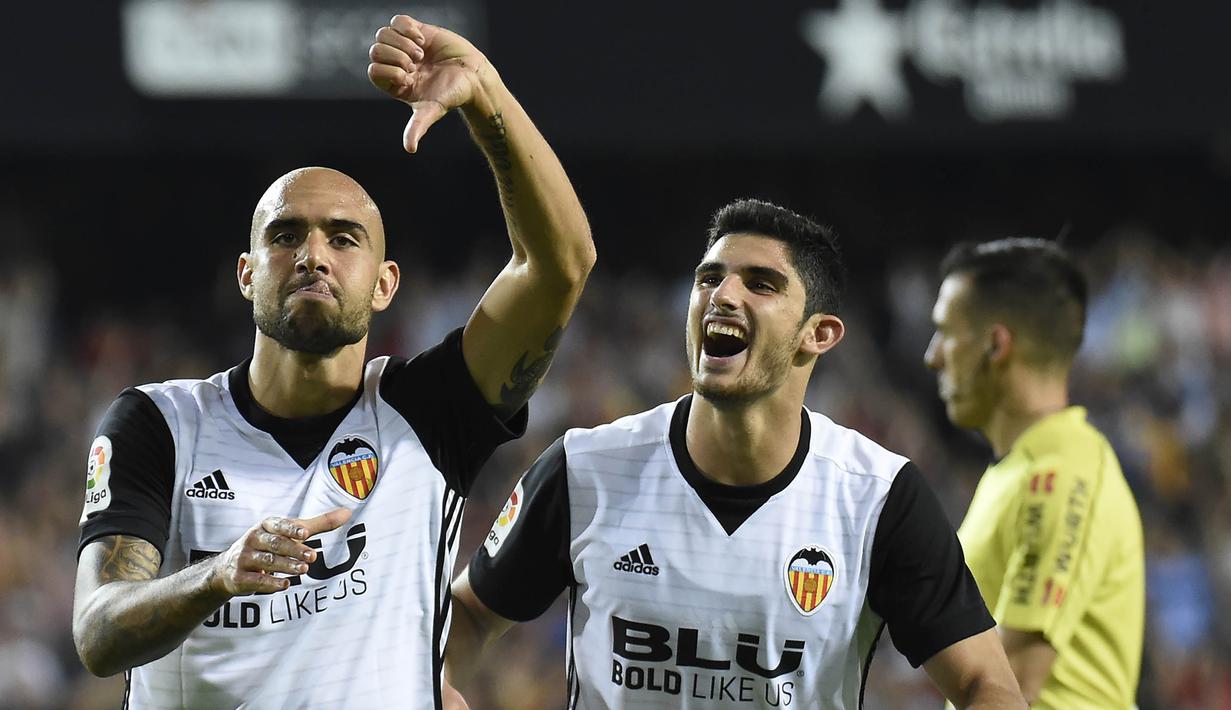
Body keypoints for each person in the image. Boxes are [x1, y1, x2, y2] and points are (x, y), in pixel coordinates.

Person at [71, 14, 594, 709]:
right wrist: (219, 574)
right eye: (286, 236)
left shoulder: (431, 412)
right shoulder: (159, 424)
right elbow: (98, 633)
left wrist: (485, 95)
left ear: (385, 284)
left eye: (343, 238)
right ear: (246, 274)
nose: (313, 254)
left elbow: (559, 266)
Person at [446, 199, 1026, 709]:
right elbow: (468, 615)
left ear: (817, 334)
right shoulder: (587, 467)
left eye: (761, 283)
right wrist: (439, 688)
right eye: (709, 278)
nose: (723, 295)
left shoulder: (878, 496)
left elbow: (987, 684)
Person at [924, 239, 1144, 708]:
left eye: (945, 332)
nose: (933, 356)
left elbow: (1012, 687)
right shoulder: (1018, 471)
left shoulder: (1059, 476)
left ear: (996, 344)